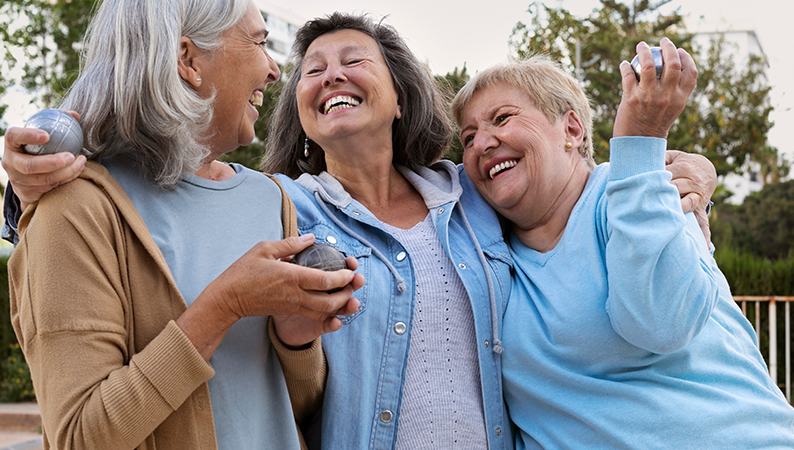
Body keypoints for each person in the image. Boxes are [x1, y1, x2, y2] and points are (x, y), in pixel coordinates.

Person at [3, 13, 718, 450]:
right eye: (311, 70)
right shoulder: (280, 205)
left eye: (352, 62)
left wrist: (684, 173)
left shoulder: (471, 196)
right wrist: (25, 184)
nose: (325, 76)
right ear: (302, 113)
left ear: (399, 94)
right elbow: (165, 191)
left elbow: (565, 186)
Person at [2, 1, 362, 449]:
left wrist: (295, 340)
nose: (274, 70)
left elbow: (294, 411)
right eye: (259, 42)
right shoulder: (74, 210)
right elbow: (78, 437)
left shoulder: (270, 198)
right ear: (188, 59)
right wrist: (224, 306)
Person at [451, 42, 794, 449]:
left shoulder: (645, 187)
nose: (481, 144)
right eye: (468, 137)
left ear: (572, 130)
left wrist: (641, 141)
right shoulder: (482, 249)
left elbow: (662, 324)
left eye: (502, 119)